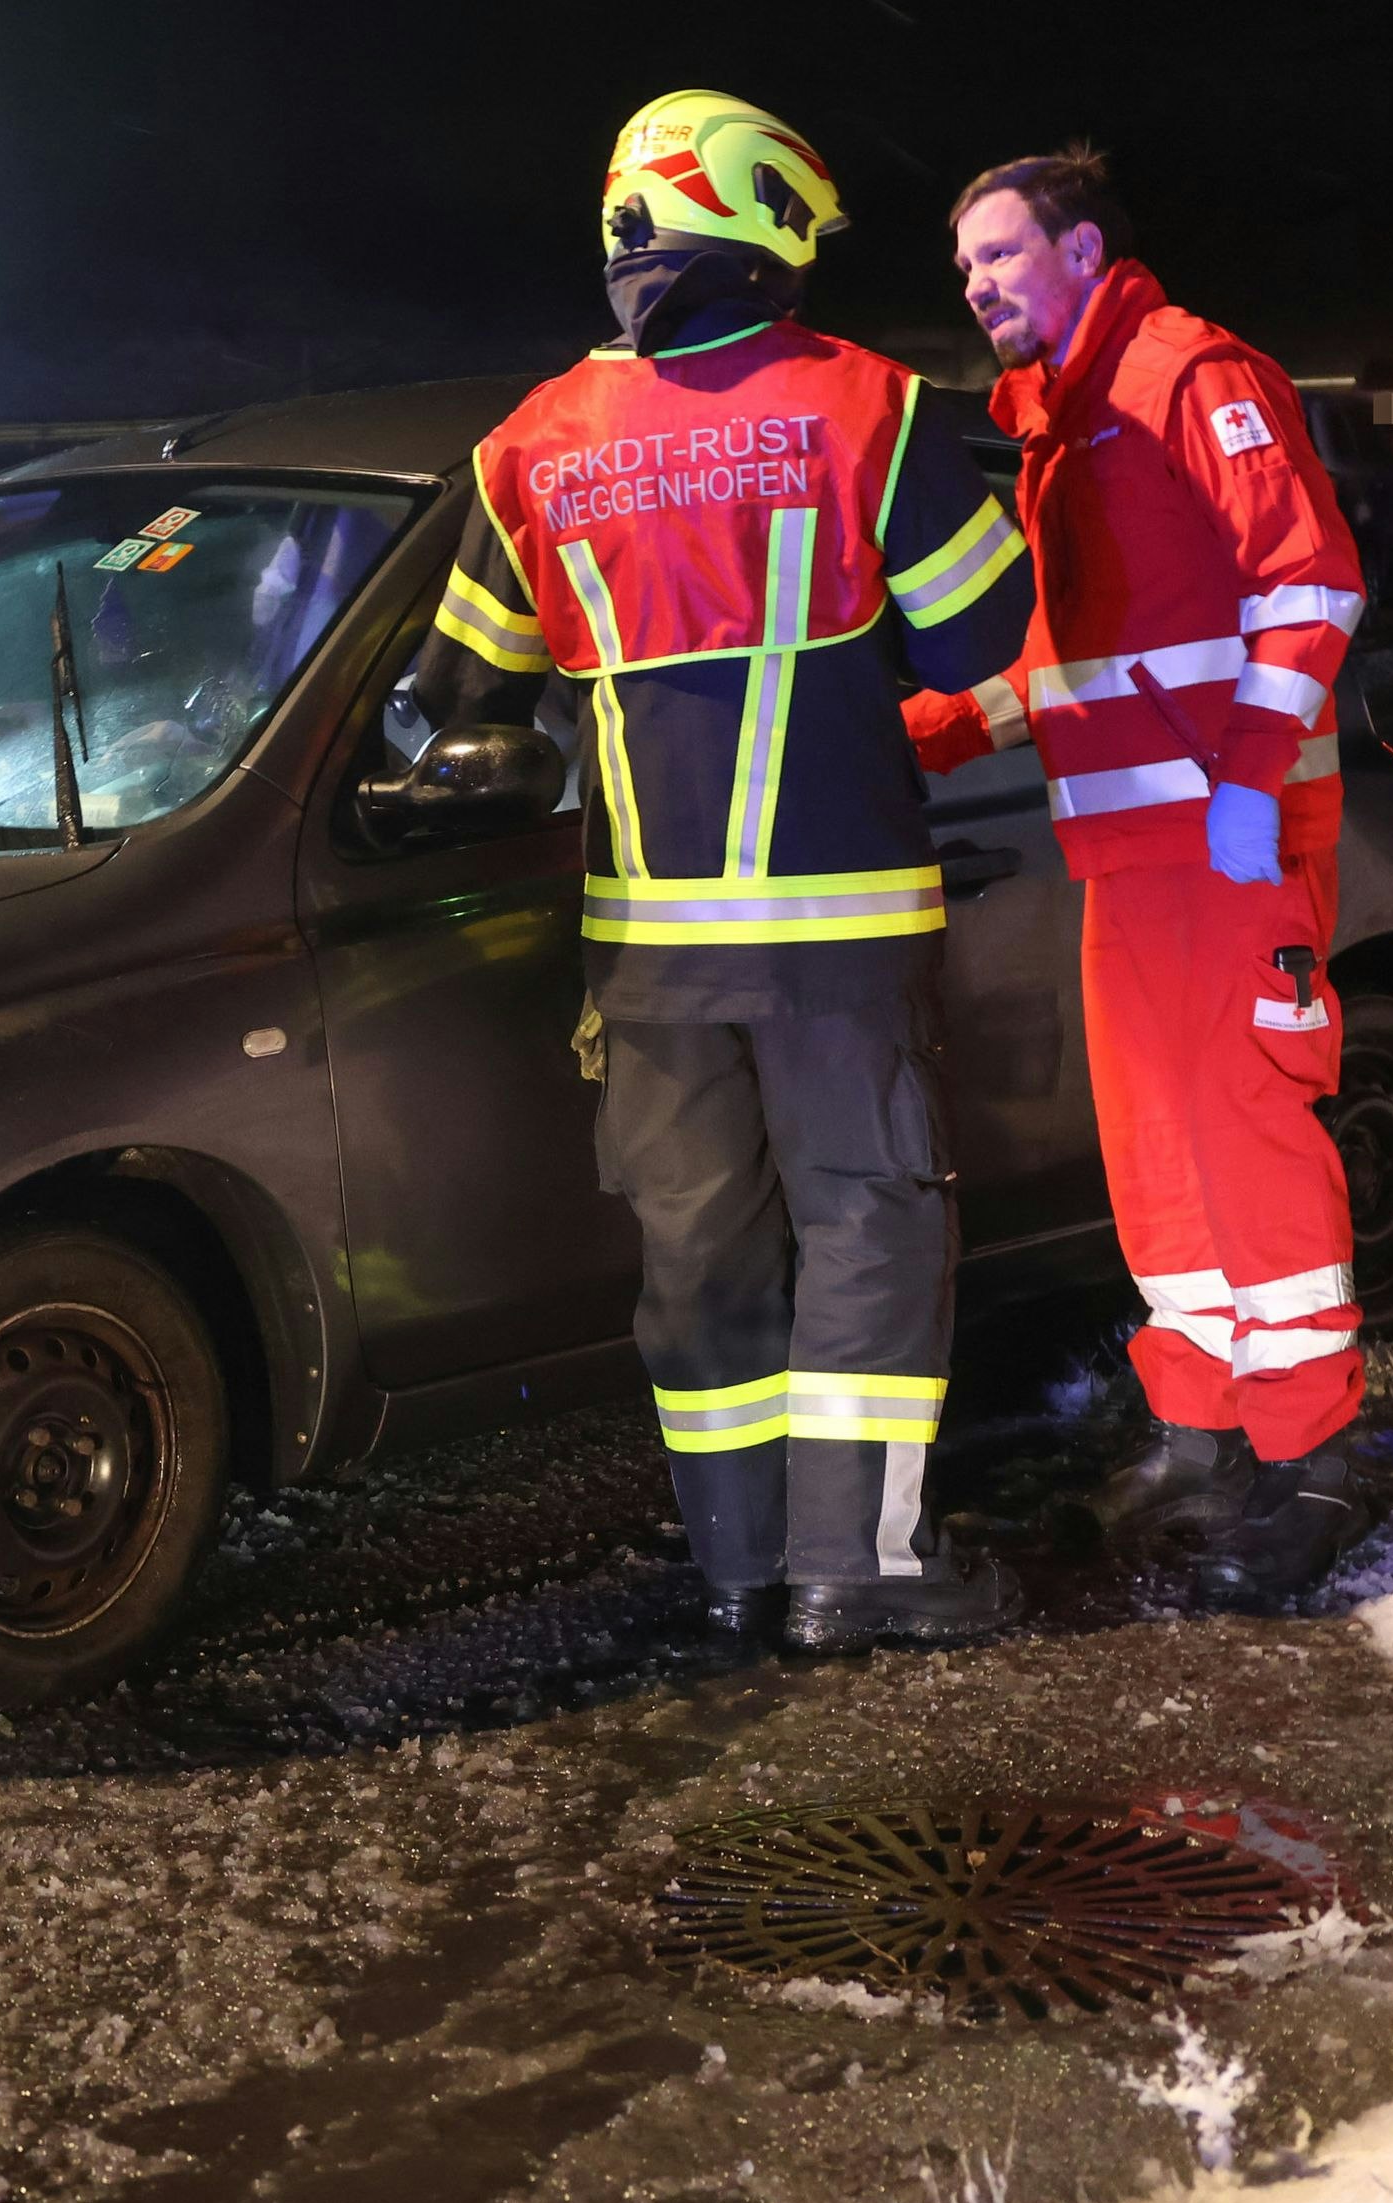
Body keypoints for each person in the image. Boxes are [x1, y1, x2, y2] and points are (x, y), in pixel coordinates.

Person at [414, 91, 1037, 1653]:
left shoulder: (529, 448)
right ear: (757, 220)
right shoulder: (865, 410)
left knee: (698, 1260)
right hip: (840, 939)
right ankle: (862, 1571)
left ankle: (737, 1572)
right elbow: (980, 631)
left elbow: (459, 694)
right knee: (869, 1227)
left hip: (648, 959)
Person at [900, 147, 1372, 1611]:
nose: (977, 283)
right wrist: (923, 731)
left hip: (1228, 844)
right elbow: (1064, 655)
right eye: (965, 264)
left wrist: (1247, 777)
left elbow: (1311, 583)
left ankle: (1312, 1469)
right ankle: (1202, 1433)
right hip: (1132, 856)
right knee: (1159, 1153)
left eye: (1001, 254)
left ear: (1084, 245)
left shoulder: (1181, 374)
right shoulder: (1065, 423)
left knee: (1249, 1139)